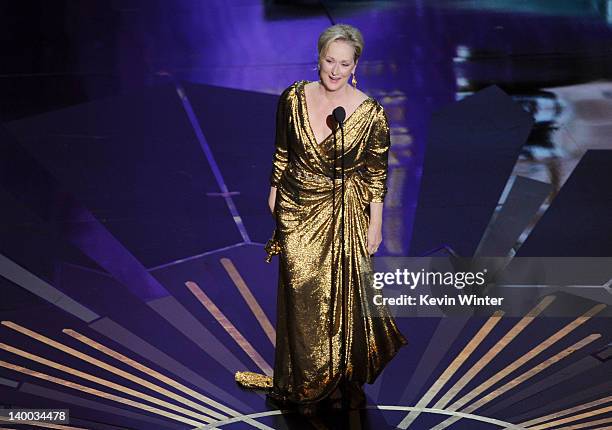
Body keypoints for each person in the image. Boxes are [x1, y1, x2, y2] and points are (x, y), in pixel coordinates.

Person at [235, 23, 407, 416]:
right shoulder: (292, 98)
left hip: (345, 211)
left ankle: (336, 370)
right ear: (318, 58)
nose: (335, 70)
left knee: (340, 295)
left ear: (355, 65)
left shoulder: (368, 114)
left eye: (344, 63)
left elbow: (376, 173)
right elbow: (282, 151)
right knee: (301, 293)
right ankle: (303, 378)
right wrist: (274, 190)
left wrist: (375, 223)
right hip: (296, 206)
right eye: (329, 60)